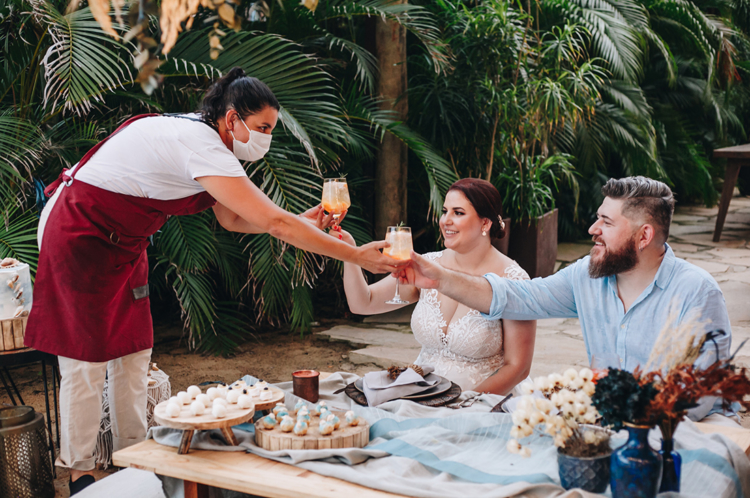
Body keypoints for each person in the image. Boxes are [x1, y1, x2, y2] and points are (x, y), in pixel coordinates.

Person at [24, 67, 404, 494]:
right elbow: (274, 225)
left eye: (271, 129)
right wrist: (354, 255)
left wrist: (303, 222)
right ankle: (80, 473)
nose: (266, 138)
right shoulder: (199, 143)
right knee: (85, 361)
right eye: (262, 127)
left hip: (126, 243)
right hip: (79, 229)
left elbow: (233, 217)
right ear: (231, 119)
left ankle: (134, 460)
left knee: (133, 350)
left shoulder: (216, 146)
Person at [400, 176, 737, 424]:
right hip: (608, 421)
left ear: (644, 235)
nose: (593, 228)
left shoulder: (697, 293)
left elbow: (697, 399)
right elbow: (519, 296)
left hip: (688, 428)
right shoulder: (587, 275)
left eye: (606, 222)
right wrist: (440, 277)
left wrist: (606, 399)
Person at [334, 178, 536, 394]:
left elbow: (518, 367)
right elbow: (363, 303)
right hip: (423, 395)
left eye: (458, 213)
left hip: (482, 402)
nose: (445, 220)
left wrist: (465, 404)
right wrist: (349, 252)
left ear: (485, 223)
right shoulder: (427, 266)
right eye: (445, 211)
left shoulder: (514, 280)